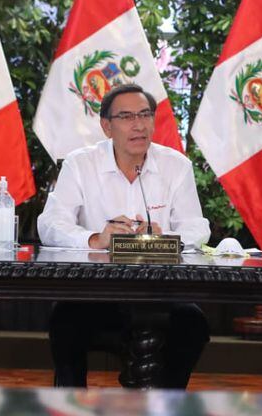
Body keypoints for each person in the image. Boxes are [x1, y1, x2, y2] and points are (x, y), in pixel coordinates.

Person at [37, 83, 211, 388]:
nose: (139, 125)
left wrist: (166, 238)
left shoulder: (176, 166)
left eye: (145, 115)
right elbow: (49, 224)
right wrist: (95, 239)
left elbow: (198, 227)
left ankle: (163, 403)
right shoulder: (81, 164)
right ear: (107, 126)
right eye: (127, 117)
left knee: (193, 324)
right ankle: (70, 404)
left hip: (159, 295)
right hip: (95, 293)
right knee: (64, 321)